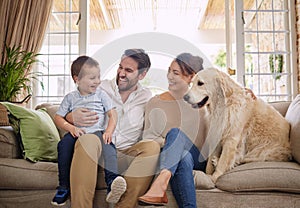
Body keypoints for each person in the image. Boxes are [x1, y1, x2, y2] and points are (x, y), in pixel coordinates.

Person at [65, 49, 161, 208]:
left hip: (127, 153)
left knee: (152, 146)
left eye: (128, 70)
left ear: (142, 75)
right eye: (120, 67)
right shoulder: (99, 87)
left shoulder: (146, 96)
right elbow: (69, 107)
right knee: (88, 139)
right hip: (99, 151)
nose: (121, 73)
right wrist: (71, 116)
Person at [138, 53, 208, 207]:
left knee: (176, 135)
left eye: (175, 73)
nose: (169, 76)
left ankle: (160, 184)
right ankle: (163, 181)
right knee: (181, 152)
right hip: (169, 158)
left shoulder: (204, 103)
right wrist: (172, 144)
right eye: (169, 70)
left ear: (191, 77)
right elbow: (149, 139)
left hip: (198, 159)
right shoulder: (155, 102)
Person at [51, 55, 121, 206]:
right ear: (77, 79)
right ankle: (63, 187)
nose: (97, 81)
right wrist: (71, 127)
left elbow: (112, 114)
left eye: (98, 77)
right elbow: (58, 117)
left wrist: (108, 131)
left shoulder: (101, 95)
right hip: (77, 133)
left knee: (109, 148)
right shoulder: (70, 98)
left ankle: (112, 184)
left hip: (97, 133)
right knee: (63, 146)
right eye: (92, 78)